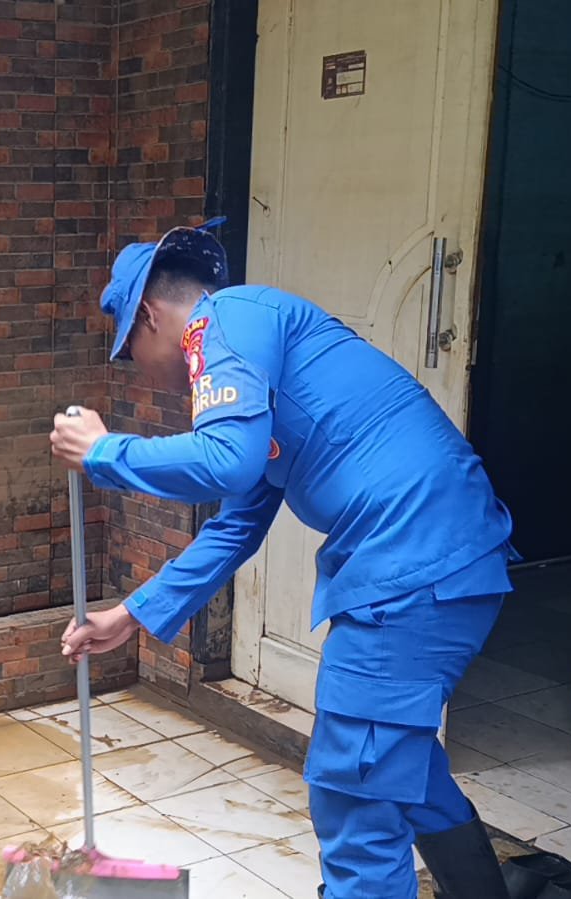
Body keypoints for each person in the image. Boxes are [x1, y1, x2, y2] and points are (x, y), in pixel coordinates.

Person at [49, 223, 515, 899]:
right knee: (396, 764)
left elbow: (223, 461)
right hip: (439, 558)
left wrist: (102, 451)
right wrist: (129, 615)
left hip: (411, 567)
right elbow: (234, 524)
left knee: (353, 791)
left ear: (149, 315)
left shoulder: (224, 320)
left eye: (130, 353)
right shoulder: (254, 361)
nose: (141, 370)